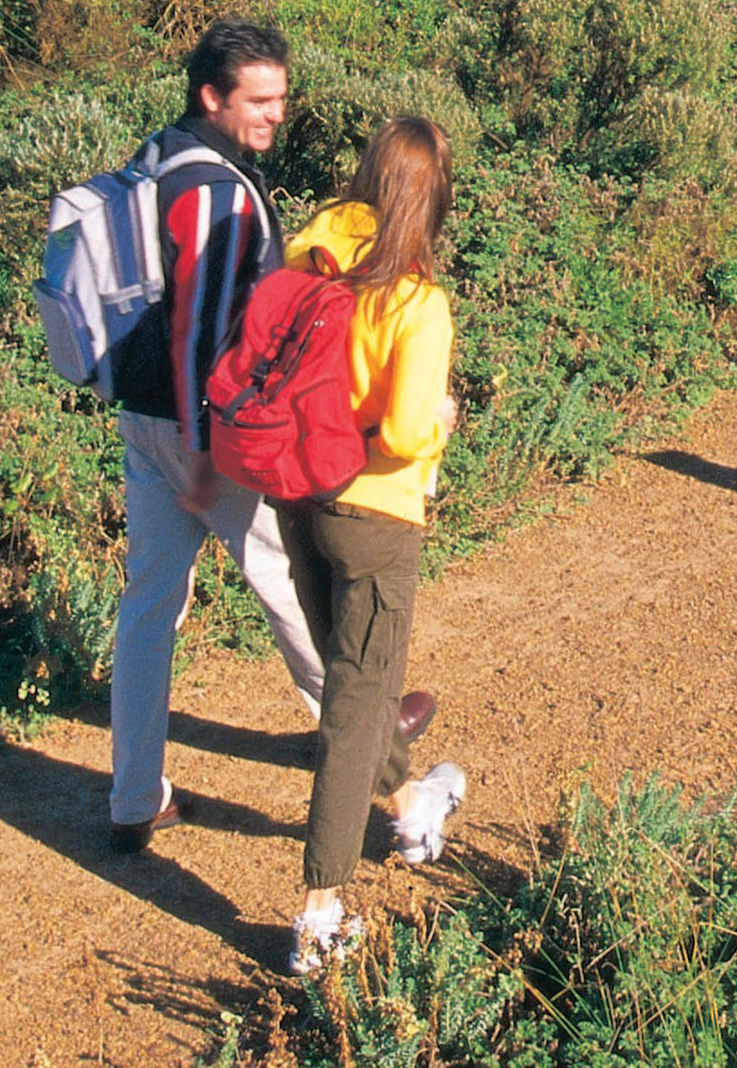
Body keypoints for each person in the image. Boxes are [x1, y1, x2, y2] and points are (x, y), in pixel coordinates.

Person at [104, 17, 327, 854]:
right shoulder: (214, 190)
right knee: (289, 585)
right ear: (213, 95)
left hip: (142, 414)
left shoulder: (158, 154)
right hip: (208, 432)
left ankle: (134, 798)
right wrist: (203, 449)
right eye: (259, 100)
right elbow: (200, 325)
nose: (276, 114)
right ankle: (381, 762)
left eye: (280, 97)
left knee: (148, 607)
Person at [275, 114, 469, 974]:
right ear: (432, 201)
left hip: (294, 495)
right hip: (375, 515)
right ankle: (320, 907)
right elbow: (399, 426)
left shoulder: (306, 255)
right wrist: (441, 423)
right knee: (355, 708)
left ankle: (412, 798)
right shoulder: (417, 302)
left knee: (360, 681)